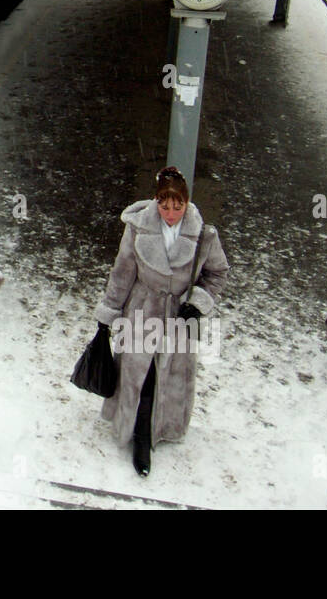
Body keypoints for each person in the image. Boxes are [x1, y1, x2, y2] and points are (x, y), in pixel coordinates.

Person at [93, 166, 229, 476]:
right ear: (156, 201)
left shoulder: (204, 235)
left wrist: (198, 304)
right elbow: (122, 273)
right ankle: (140, 436)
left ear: (187, 202)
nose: (170, 213)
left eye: (177, 206)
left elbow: (218, 274)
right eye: (164, 205)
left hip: (179, 319)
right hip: (141, 312)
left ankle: (161, 428)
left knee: (168, 377)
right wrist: (108, 313)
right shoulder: (138, 228)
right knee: (139, 375)